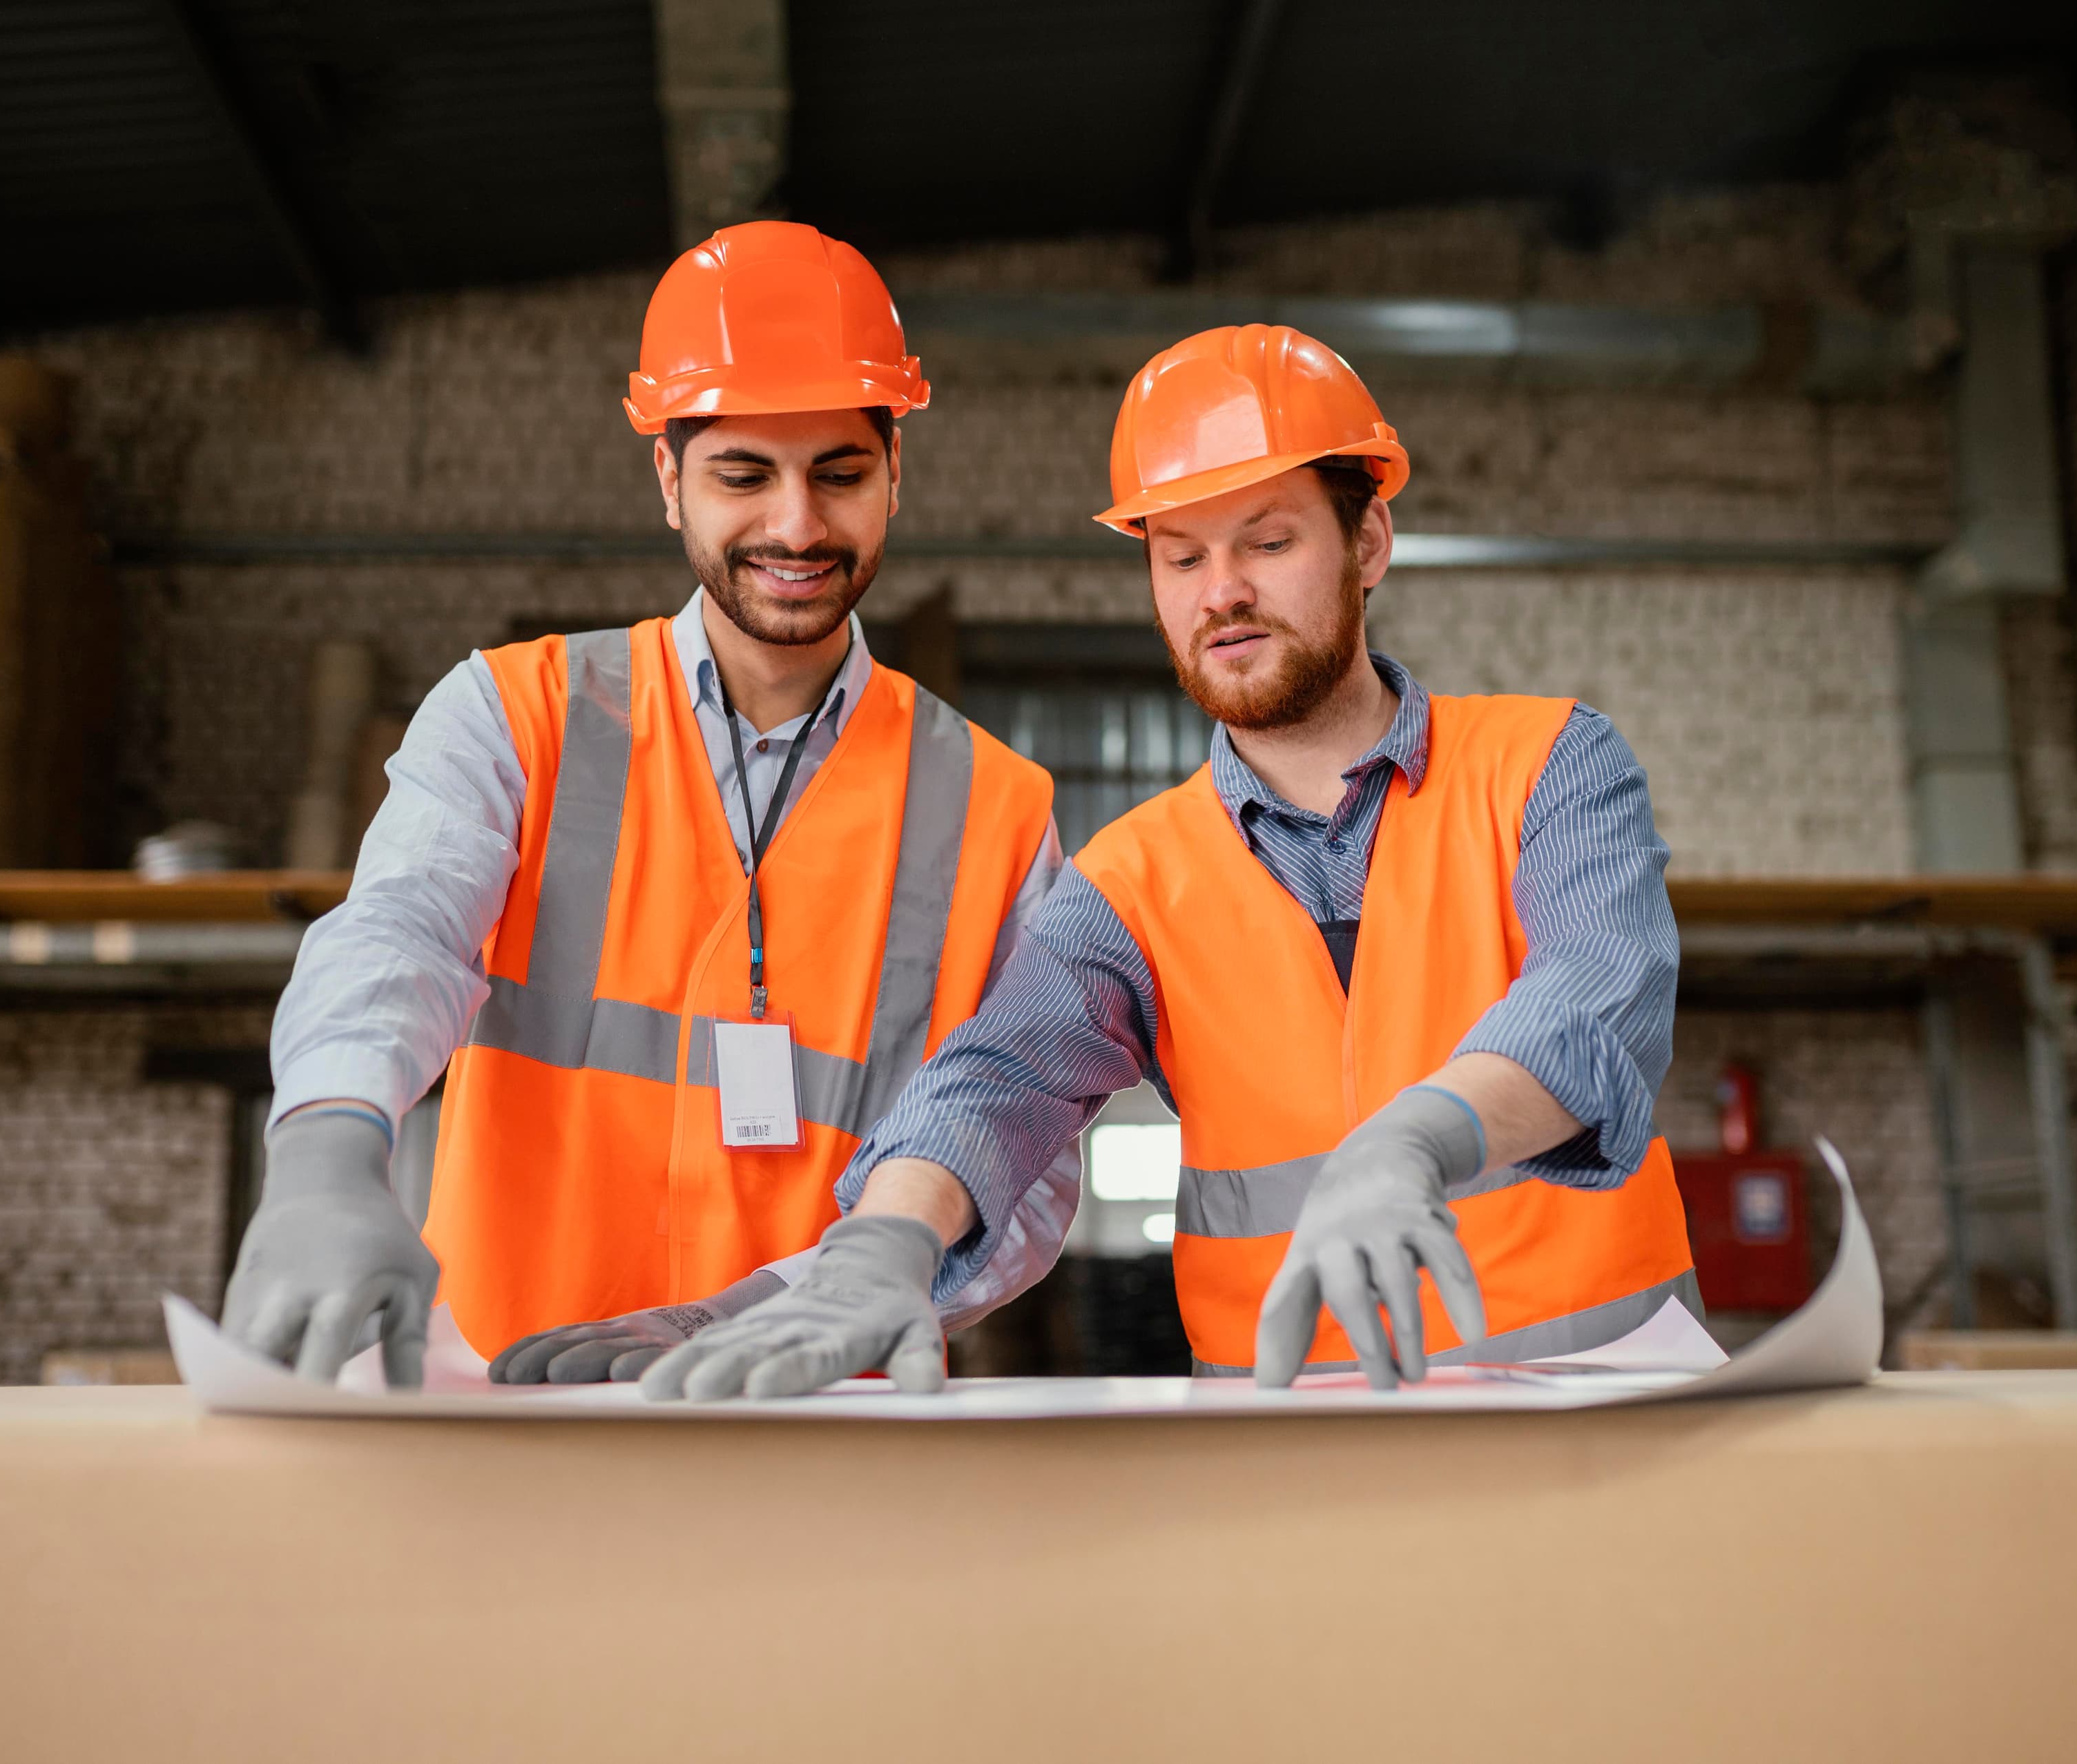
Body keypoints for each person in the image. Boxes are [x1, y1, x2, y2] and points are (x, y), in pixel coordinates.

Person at [644, 323, 1697, 1399]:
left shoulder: (1546, 766)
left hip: (1603, 1416)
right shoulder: (1131, 884)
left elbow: (1597, 991)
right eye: (1183, 557)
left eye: (1268, 543)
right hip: (1288, 1452)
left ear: (1370, 542)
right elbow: (1000, 1075)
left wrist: (1423, 1138)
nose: (1221, 591)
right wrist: (885, 1240)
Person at [220, 222, 1075, 1388]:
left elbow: (1024, 1159)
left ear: (895, 475)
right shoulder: (516, 716)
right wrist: (327, 1143)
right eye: (743, 475)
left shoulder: (997, 808)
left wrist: (779, 1304)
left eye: (839, 474)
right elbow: (399, 934)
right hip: (509, 1406)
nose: (796, 525)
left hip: (820, 1419)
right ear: (670, 481)